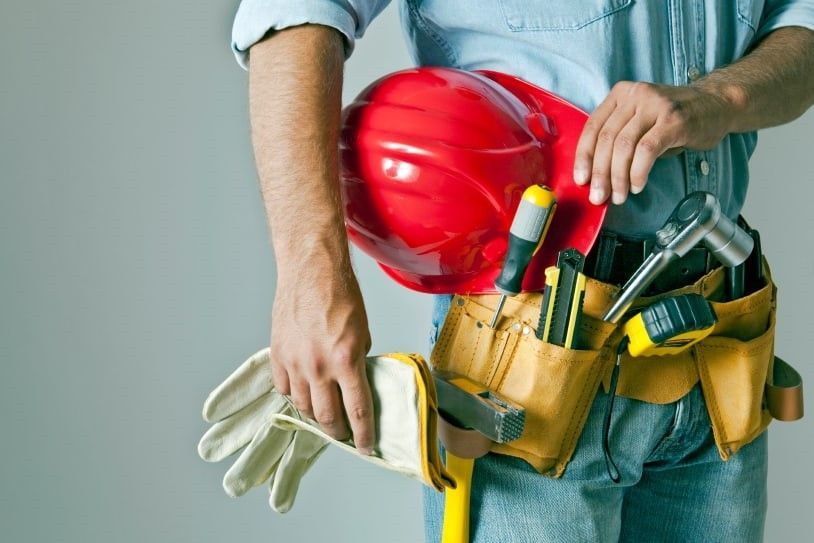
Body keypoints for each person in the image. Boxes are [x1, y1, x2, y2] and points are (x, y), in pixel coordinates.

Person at [230, 2, 814, 541]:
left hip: (719, 344)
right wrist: (312, 282)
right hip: (529, 353)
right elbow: (295, 17)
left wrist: (725, 96)